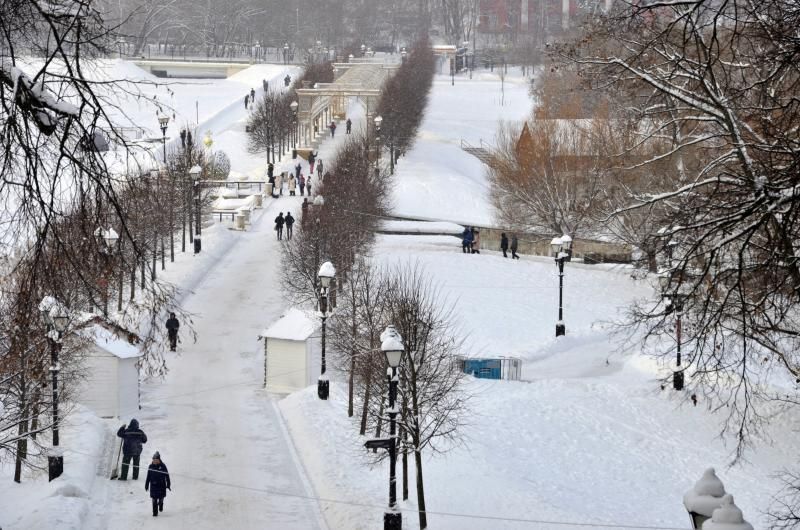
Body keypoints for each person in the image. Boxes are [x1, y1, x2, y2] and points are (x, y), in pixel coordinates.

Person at [145, 452, 171, 517]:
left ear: (159, 460)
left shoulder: (163, 466)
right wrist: (146, 485)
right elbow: (148, 476)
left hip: (161, 485)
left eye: (156, 460)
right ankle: (155, 513)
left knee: (161, 498)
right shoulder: (150, 466)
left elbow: (167, 476)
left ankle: (161, 504)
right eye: (153, 460)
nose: (154, 461)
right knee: (154, 500)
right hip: (153, 486)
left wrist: (168, 484)